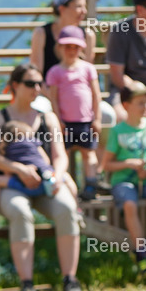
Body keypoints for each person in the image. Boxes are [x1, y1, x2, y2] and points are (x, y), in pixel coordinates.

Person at [0, 63, 83, 291]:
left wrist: (57, 177)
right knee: (20, 211)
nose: (37, 88)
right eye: (30, 83)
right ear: (15, 86)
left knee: (67, 209)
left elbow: (60, 156)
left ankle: (70, 280)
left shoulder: (48, 119)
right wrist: (19, 169)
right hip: (12, 185)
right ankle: (27, 284)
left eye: (40, 84)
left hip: (46, 184)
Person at [100, 80, 146, 276]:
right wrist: (129, 164)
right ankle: (142, 254)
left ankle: (145, 246)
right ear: (127, 106)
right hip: (123, 182)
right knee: (130, 205)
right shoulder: (118, 131)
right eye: (140, 102)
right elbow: (106, 165)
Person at [0, 121, 77, 226]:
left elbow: (6, 170)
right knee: (66, 177)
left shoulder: (7, 146)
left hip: (21, 184)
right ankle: (77, 209)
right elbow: (45, 161)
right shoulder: (33, 141)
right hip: (45, 182)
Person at [46, 25, 102, 200]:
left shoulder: (88, 69)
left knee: (88, 153)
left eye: (75, 47)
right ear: (60, 48)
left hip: (85, 121)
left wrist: (97, 118)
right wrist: (58, 120)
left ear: (81, 48)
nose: (71, 51)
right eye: (67, 46)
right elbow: (53, 98)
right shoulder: (55, 71)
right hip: (66, 122)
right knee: (64, 154)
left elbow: (96, 95)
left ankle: (91, 183)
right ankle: (65, 184)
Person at [30, 0, 96, 78]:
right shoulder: (41, 33)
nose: (84, 11)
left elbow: (88, 75)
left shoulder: (88, 35)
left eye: (85, 6)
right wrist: (51, 92)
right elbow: (37, 74)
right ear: (62, 9)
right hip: (46, 90)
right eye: (79, 6)